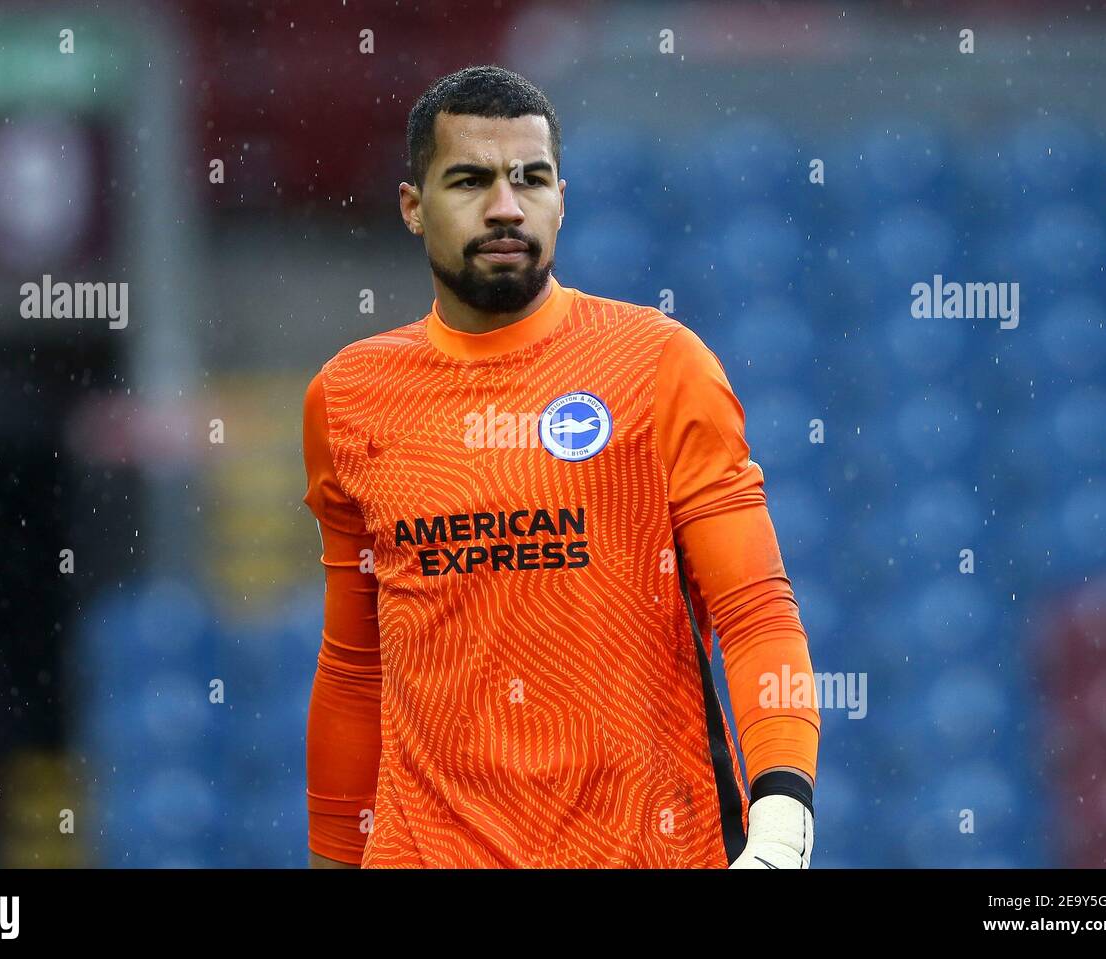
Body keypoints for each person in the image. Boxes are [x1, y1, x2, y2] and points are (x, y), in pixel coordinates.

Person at [302, 65, 819, 868]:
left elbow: (756, 613)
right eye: (470, 179)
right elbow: (353, 667)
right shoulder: (347, 396)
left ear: (561, 198)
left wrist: (783, 823)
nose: (506, 207)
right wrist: (334, 855)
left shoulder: (659, 364)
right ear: (413, 207)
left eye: (530, 179)